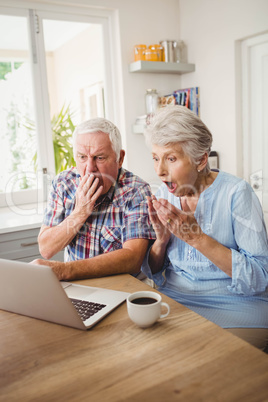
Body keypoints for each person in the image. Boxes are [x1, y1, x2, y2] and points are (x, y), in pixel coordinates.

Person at [141, 105, 268, 350]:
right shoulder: (163, 194)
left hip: (237, 305)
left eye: (171, 158)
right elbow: (154, 272)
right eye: (156, 158)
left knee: (200, 356)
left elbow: (261, 277)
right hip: (177, 300)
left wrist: (198, 239)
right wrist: (161, 241)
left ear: (200, 159)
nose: (159, 170)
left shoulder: (236, 193)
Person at [33, 117, 155, 281]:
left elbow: (133, 258)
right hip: (76, 287)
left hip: (122, 288)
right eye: (82, 157)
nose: (90, 169)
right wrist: (80, 212)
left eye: (100, 158)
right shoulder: (63, 183)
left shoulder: (136, 191)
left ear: (119, 158)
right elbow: (46, 248)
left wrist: (66, 270)